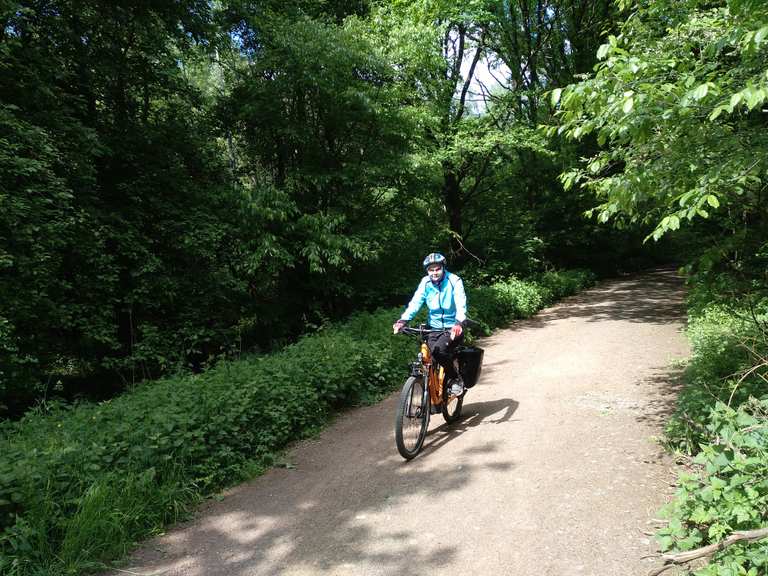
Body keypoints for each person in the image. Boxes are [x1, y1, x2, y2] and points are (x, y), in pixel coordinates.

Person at [393, 252, 467, 396]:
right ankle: (430, 396)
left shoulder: (454, 280)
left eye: (437, 269)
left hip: (452, 327)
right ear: (427, 271)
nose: (434, 273)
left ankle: (455, 378)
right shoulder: (425, 282)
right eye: (431, 270)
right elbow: (415, 302)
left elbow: (460, 302)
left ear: (443, 268)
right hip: (433, 328)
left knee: (440, 352)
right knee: (429, 357)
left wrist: (459, 323)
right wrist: (403, 321)